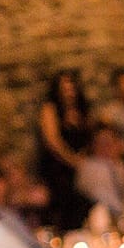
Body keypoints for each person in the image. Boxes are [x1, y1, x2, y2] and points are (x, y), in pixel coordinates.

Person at [37, 69, 96, 227]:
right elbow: (53, 141)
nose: (69, 92)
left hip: (81, 162)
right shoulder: (51, 109)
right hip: (58, 164)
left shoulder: (82, 110)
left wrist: (83, 158)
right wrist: (72, 161)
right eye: (64, 88)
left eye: (71, 87)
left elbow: (90, 136)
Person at [75, 123, 124, 216]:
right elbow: (99, 196)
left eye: (109, 143)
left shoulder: (120, 165)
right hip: (99, 215)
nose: (105, 148)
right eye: (101, 143)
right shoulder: (89, 167)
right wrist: (123, 212)